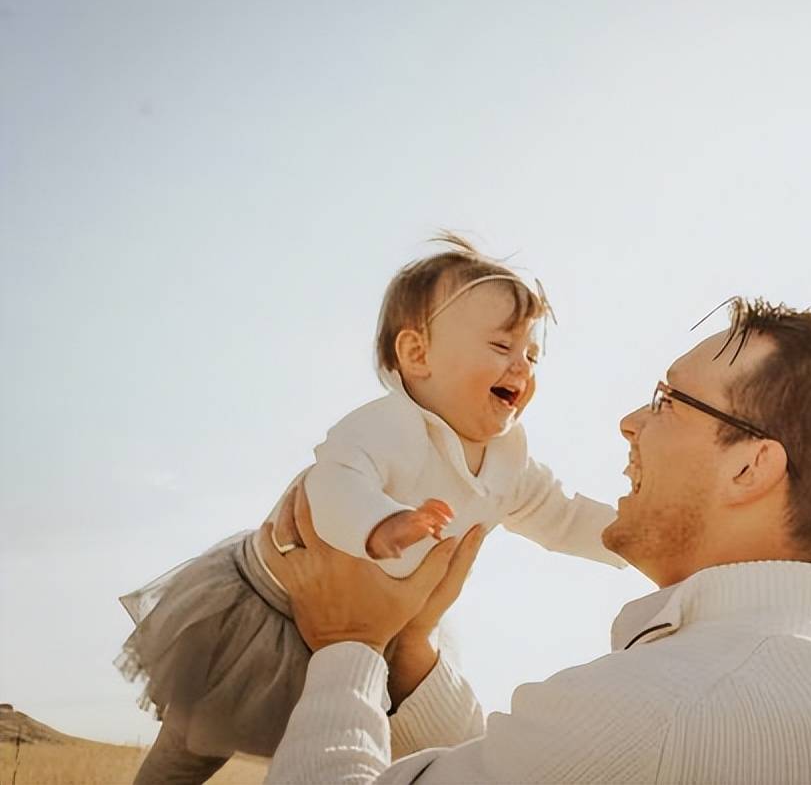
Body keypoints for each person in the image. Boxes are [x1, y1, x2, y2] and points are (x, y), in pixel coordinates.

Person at [263, 297, 811, 784]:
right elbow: (545, 765)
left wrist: (348, 642)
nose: (630, 422)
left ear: (749, 467)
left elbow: (622, 739)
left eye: (669, 400)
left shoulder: (663, 708)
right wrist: (410, 653)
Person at [116, 235, 625, 785]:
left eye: (531, 354)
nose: (521, 367)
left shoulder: (511, 463)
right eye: (502, 347)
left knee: (345, 741)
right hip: (267, 612)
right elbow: (331, 485)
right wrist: (379, 523)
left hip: (372, 629)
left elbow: (564, 517)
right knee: (189, 750)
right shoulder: (387, 426)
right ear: (417, 355)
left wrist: (630, 538)